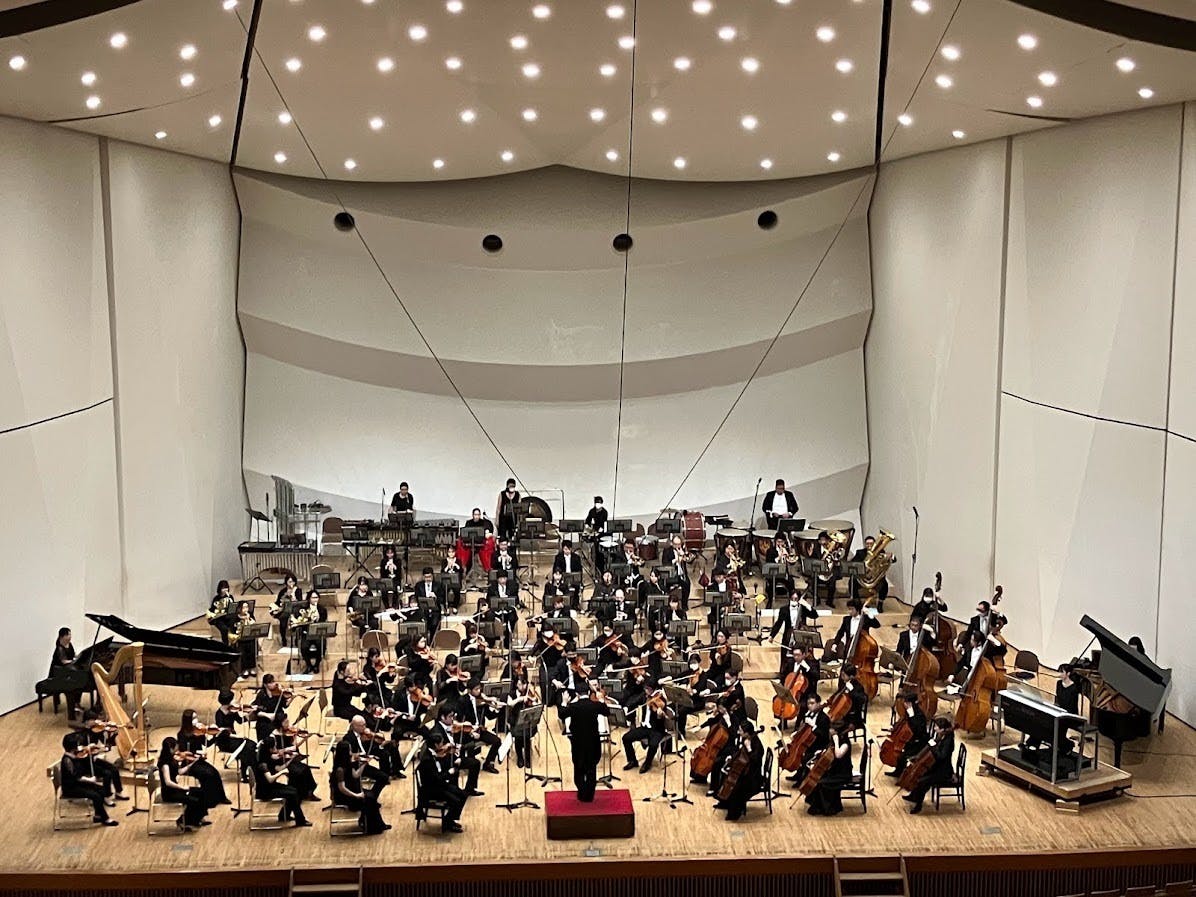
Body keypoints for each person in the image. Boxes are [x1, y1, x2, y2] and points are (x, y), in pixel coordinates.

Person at [560, 687, 612, 801]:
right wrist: (601, 699)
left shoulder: (573, 706)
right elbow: (606, 711)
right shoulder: (595, 705)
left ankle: (582, 792)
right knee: (591, 769)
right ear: (588, 693)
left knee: (579, 769)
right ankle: (589, 795)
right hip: (593, 743)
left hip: (578, 743)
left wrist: (564, 702)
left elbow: (562, 714)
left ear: (577, 694)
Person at [58, 733, 118, 826]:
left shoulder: (73, 756)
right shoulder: (67, 761)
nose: (80, 747)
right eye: (78, 745)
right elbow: (76, 777)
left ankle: (98, 815)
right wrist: (90, 780)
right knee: (96, 796)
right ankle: (105, 818)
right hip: (71, 788)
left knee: (101, 790)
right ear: (73, 748)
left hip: (77, 784)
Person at [331, 739, 389, 834]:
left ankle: (372, 824)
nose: (351, 752)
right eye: (349, 750)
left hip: (351, 791)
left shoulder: (347, 763)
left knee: (371, 797)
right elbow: (342, 788)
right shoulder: (340, 770)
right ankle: (372, 826)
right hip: (345, 796)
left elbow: (356, 775)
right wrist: (356, 795)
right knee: (370, 799)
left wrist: (364, 763)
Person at [176, 709, 230, 807]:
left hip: (199, 761)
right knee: (207, 775)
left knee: (215, 772)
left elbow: (207, 744)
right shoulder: (182, 735)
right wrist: (197, 755)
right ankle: (208, 798)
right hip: (189, 763)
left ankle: (221, 797)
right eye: (194, 718)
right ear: (188, 720)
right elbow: (184, 753)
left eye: (196, 717)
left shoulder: (199, 731)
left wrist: (215, 736)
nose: (196, 720)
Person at [427, 704, 484, 797]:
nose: (453, 719)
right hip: (445, 760)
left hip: (454, 754)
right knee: (456, 770)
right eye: (450, 716)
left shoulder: (451, 726)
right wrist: (455, 758)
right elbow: (439, 752)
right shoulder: (436, 731)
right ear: (442, 717)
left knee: (475, 763)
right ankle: (454, 792)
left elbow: (452, 742)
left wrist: (458, 746)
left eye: (453, 716)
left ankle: (470, 789)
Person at [714, 718, 765, 821]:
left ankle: (734, 813)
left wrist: (749, 748)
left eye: (741, 730)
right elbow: (741, 752)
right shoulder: (746, 738)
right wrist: (732, 758)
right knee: (725, 775)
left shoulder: (757, 744)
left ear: (747, 733)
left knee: (737, 788)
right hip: (745, 772)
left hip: (753, 777)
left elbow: (755, 761)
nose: (738, 732)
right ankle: (724, 802)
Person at [903, 716, 955, 814]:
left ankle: (918, 806)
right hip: (936, 767)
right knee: (921, 776)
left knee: (923, 781)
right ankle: (913, 796)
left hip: (943, 771)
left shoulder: (948, 741)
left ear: (943, 729)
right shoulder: (941, 736)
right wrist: (918, 756)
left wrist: (934, 747)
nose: (934, 728)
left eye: (936, 727)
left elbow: (942, 756)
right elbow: (931, 747)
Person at [254, 739, 312, 827]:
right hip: (265, 791)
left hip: (270, 786)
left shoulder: (267, 758)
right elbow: (270, 779)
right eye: (274, 746)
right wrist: (282, 773)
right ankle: (300, 820)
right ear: (270, 749)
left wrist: (291, 759)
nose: (276, 748)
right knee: (293, 794)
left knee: (295, 790)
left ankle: (284, 815)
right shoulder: (263, 764)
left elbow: (279, 768)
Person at [418, 733, 468, 833]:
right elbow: (436, 778)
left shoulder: (431, 753)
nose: (443, 745)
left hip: (438, 784)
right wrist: (449, 773)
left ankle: (450, 819)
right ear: (436, 745)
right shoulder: (427, 760)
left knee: (463, 794)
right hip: (432, 789)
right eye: (441, 743)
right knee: (456, 800)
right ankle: (447, 822)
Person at [158, 736, 208, 831]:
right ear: (170, 748)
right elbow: (168, 782)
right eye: (175, 747)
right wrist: (181, 787)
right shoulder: (165, 764)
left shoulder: (171, 759)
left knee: (201, 792)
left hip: (176, 789)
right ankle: (183, 821)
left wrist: (192, 764)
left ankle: (197, 818)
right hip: (170, 793)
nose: (177, 749)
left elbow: (179, 772)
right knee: (194, 800)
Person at [804, 721, 853, 816]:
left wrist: (836, 741)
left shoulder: (845, 743)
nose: (830, 732)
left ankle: (828, 808)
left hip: (842, 774)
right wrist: (820, 752)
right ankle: (818, 806)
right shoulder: (833, 741)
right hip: (835, 771)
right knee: (818, 779)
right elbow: (829, 751)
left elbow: (838, 755)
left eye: (832, 730)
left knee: (820, 782)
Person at [622, 681, 671, 773]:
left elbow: (661, 719)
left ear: (653, 689)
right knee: (626, 738)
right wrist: (627, 707)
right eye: (645, 688)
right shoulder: (645, 696)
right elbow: (634, 702)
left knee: (653, 744)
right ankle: (632, 760)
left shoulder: (661, 699)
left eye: (647, 689)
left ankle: (647, 763)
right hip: (644, 727)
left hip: (657, 729)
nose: (645, 690)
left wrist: (659, 715)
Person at [457, 679, 502, 773]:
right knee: (470, 746)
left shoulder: (481, 699)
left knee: (497, 741)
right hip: (467, 731)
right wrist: (471, 732)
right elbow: (460, 720)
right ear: (469, 690)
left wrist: (496, 709)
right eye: (476, 689)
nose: (479, 691)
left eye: (479, 689)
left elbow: (490, 716)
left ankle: (487, 764)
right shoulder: (462, 701)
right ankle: (470, 765)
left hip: (479, 729)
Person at [885, 692, 929, 777]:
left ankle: (900, 773)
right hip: (910, 739)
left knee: (902, 755)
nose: (905, 704)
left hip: (918, 741)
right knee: (900, 751)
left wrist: (912, 716)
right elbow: (904, 722)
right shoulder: (909, 711)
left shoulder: (919, 715)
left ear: (912, 703)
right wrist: (895, 727)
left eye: (907, 703)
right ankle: (898, 771)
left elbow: (917, 730)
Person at [213, 689, 253, 781]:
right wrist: (237, 736)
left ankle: (245, 770)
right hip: (224, 741)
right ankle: (243, 774)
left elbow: (240, 721)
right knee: (245, 747)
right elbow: (222, 732)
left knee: (250, 744)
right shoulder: (219, 714)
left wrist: (249, 714)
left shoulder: (232, 711)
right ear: (228, 701)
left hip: (234, 738)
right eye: (232, 699)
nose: (234, 701)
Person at [49, 627, 83, 719]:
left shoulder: (69, 645)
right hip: (58, 674)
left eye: (70, 634)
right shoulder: (59, 648)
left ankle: (76, 703)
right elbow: (63, 661)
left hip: (67, 671)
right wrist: (74, 661)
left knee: (80, 680)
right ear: (62, 636)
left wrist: (77, 657)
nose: (70, 636)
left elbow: (73, 655)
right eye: (68, 634)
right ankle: (74, 704)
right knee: (76, 682)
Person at [661, 536, 692, 611]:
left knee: (687, 584)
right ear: (672, 543)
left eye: (679, 544)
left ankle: (684, 604)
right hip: (671, 575)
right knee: (664, 585)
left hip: (681, 575)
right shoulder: (667, 551)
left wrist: (684, 555)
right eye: (676, 544)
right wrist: (676, 560)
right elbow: (665, 563)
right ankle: (667, 604)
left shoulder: (683, 550)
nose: (678, 546)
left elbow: (690, 561)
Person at [270, 574, 302, 644]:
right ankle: (283, 638)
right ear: (286, 582)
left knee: (298, 620)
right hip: (285, 610)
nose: (291, 583)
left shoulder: (298, 590)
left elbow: (300, 602)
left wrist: (293, 596)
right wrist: (276, 607)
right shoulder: (283, 591)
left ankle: (297, 639)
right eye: (289, 582)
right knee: (283, 620)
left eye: (293, 582)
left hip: (295, 610)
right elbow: (278, 602)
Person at [206, 580, 237, 644]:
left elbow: (232, 609)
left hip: (227, 617)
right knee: (224, 629)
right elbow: (213, 610)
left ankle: (234, 642)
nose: (225, 590)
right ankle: (225, 644)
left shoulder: (230, 597)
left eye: (226, 588)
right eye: (223, 588)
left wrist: (230, 599)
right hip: (219, 619)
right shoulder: (216, 598)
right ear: (220, 589)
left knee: (234, 623)